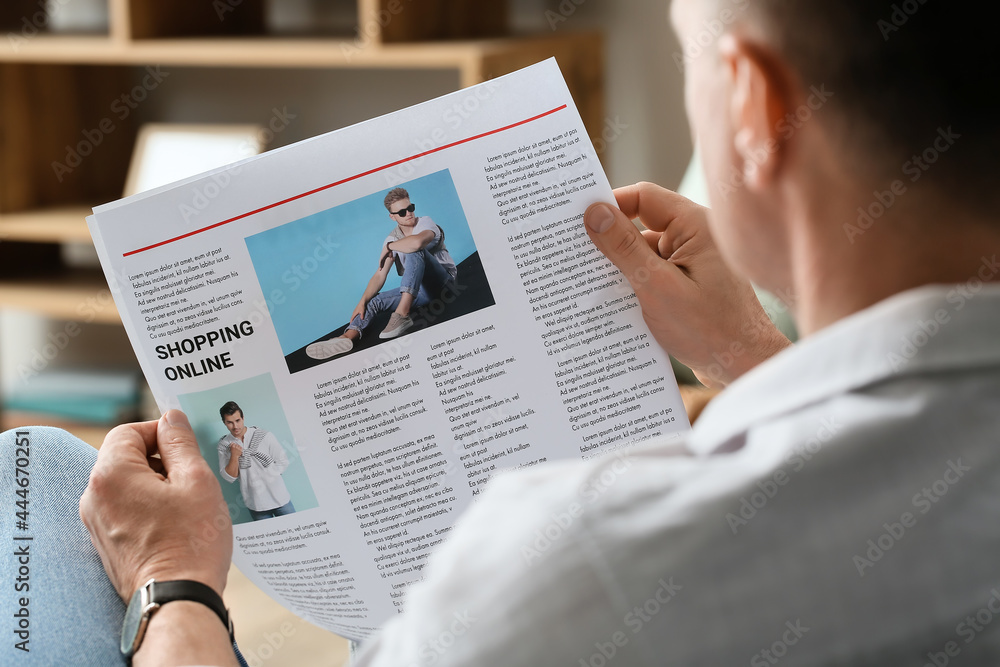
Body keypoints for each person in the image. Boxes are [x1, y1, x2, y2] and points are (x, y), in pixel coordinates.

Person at [78, 0, 1000, 665]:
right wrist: (747, 355)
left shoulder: (573, 566)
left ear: (758, 110)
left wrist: (172, 586)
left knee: (41, 480)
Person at [306, 187, 457, 360]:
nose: (408, 213)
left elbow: (416, 244)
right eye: (402, 212)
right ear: (392, 217)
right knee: (374, 301)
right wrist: (362, 301)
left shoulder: (425, 223)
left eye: (410, 207)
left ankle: (402, 315)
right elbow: (379, 275)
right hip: (420, 291)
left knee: (414, 251)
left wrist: (390, 247)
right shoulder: (391, 238)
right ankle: (348, 336)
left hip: (444, 283)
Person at [217, 401, 295, 521]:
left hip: (280, 499)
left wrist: (268, 477)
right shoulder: (224, 445)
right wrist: (234, 456)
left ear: (243, 418)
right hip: (255, 504)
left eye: (238, 420)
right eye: (230, 422)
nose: (235, 426)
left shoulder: (263, 435)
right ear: (224, 423)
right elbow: (229, 477)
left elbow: (282, 461)